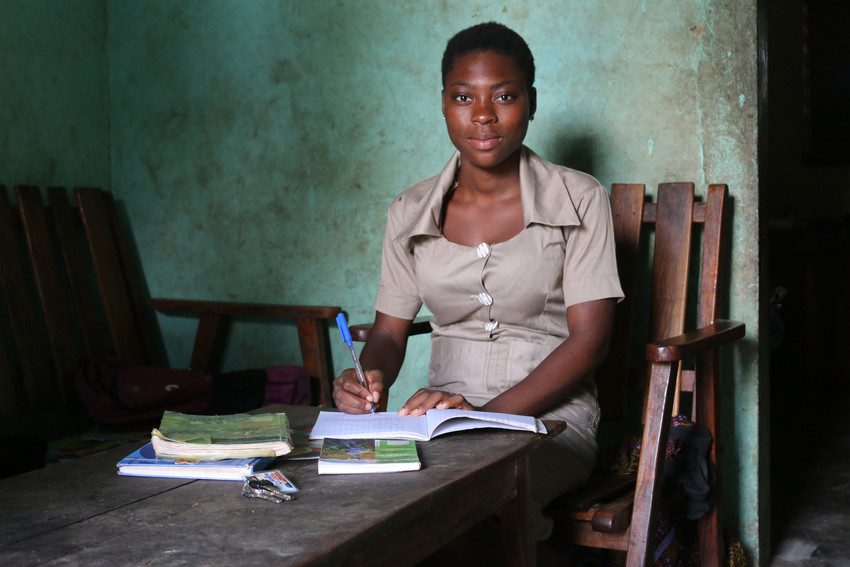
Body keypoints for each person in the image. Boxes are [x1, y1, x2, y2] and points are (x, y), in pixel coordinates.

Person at [333, 21, 624, 545]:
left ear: (531, 103)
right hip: (439, 417)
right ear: (444, 104)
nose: (483, 115)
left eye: (505, 96)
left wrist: (485, 421)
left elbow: (591, 339)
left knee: (470, 500)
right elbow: (389, 333)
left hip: (548, 417)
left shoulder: (579, 197)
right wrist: (367, 377)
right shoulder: (409, 211)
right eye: (464, 96)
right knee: (360, 499)